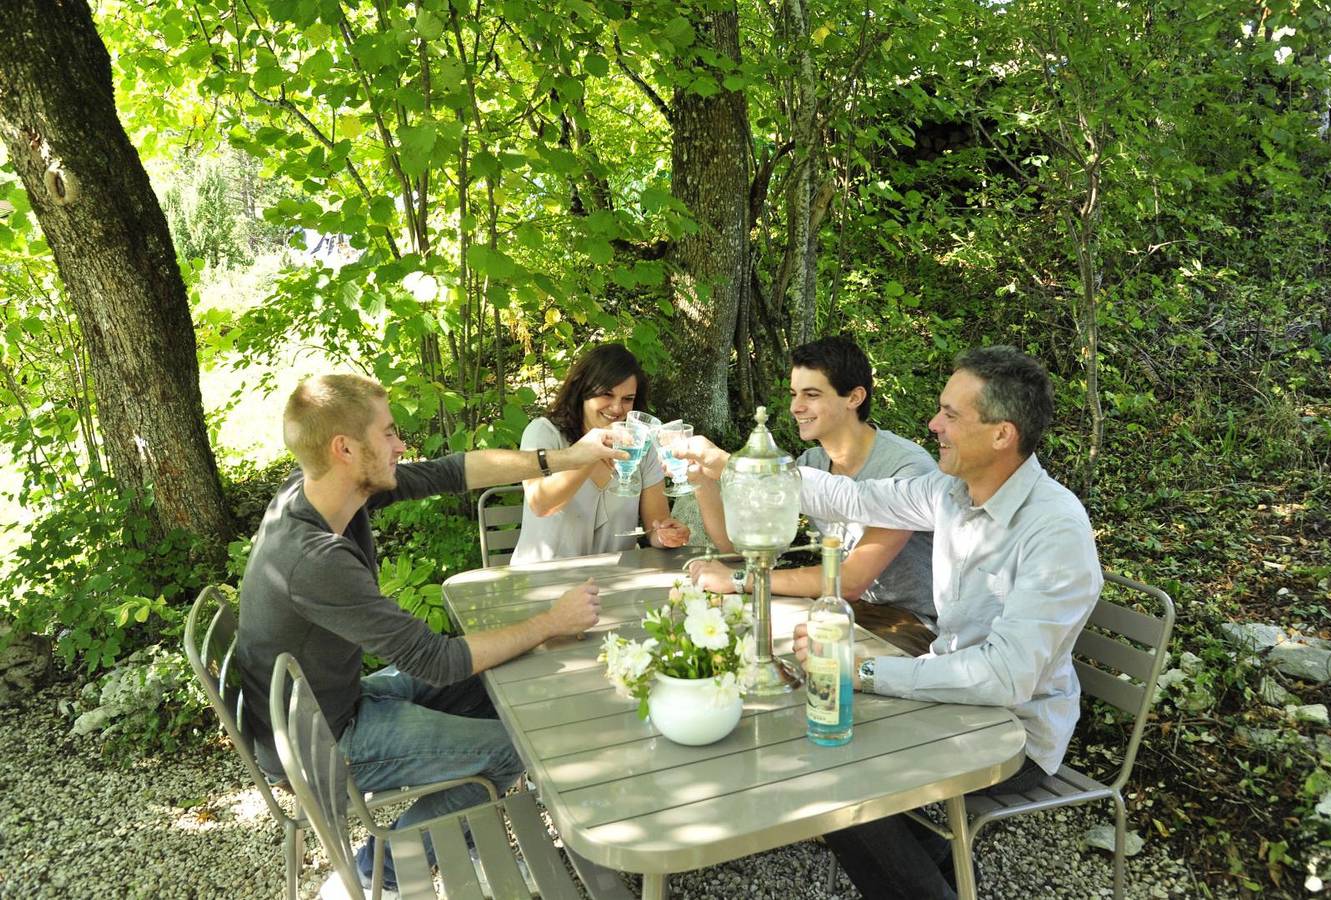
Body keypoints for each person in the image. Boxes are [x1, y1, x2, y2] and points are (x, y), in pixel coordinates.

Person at [681, 346, 1102, 900]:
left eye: (951, 414)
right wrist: (736, 465)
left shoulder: (1055, 530)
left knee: (835, 781)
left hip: (1013, 732)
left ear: (1002, 434)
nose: (934, 425)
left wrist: (867, 670)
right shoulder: (951, 492)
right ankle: (946, 877)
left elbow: (1007, 678)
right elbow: (851, 495)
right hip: (947, 696)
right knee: (819, 740)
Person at [235, 373, 624, 892]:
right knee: (513, 749)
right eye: (390, 434)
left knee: (496, 682)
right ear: (345, 448)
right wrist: (550, 622)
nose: (401, 445)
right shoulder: (313, 559)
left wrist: (567, 458)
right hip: (321, 743)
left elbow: (451, 471)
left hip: (330, 705)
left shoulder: (324, 491)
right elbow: (436, 660)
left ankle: (464, 834)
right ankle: (380, 875)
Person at [686, 336, 937, 643]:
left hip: (910, 624)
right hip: (841, 609)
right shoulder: (813, 462)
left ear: (854, 397)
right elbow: (738, 545)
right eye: (793, 394)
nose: (795, 407)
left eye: (812, 394)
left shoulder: (906, 469)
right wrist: (701, 481)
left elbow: (852, 581)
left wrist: (739, 580)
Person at [511, 343, 689, 564]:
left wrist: (667, 535)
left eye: (627, 399)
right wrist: (590, 454)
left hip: (614, 582)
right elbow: (541, 504)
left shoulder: (641, 444)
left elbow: (656, 525)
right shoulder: (544, 432)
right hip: (544, 581)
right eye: (606, 394)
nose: (617, 408)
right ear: (582, 390)